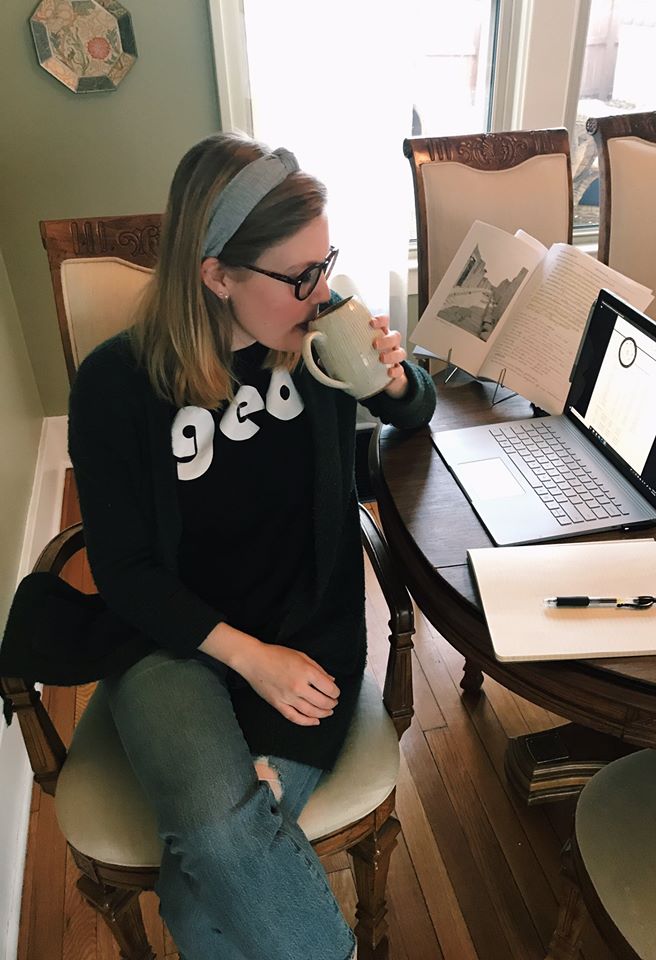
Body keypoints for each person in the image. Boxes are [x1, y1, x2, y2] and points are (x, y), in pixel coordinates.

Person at [64, 133, 436, 959]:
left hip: (306, 635)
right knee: (224, 845)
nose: (323, 291)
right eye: (300, 276)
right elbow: (124, 572)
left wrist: (397, 378)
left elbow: (414, 411)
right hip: (173, 644)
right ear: (217, 275)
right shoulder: (115, 386)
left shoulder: (319, 345)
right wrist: (249, 658)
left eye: (325, 262)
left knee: (200, 900)